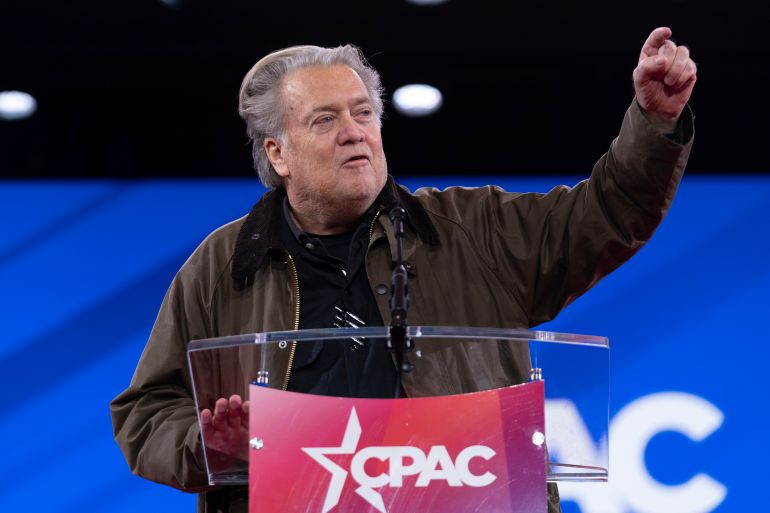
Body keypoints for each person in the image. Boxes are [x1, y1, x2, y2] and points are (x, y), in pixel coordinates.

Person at [111, 27, 697, 513]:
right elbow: (145, 411)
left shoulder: (477, 231)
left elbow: (608, 213)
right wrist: (207, 444)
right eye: (324, 120)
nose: (354, 131)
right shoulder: (221, 266)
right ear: (277, 153)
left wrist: (652, 125)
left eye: (363, 112)